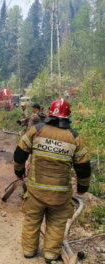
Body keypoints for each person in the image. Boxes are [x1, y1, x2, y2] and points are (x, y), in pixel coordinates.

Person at [13, 99, 91, 263]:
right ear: (68, 116)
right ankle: (50, 254)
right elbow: (83, 167)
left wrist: (19, 172)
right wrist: (82, 187)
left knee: (32, 221)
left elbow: (20, 153)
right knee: (56, 224)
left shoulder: (36, 130)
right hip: (60, 195)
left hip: (35, 192)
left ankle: (29, 251)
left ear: (49, 112)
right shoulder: (75, 138)